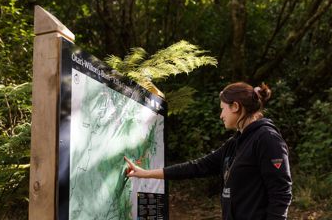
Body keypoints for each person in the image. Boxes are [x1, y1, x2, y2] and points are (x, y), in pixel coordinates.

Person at [124, 82, 292, 220]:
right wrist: (145, 173)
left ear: (235, 106)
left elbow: (281, 193)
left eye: (222, 108)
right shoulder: (234, 143)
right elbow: (196, 167)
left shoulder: (267, 138)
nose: (221, 115)